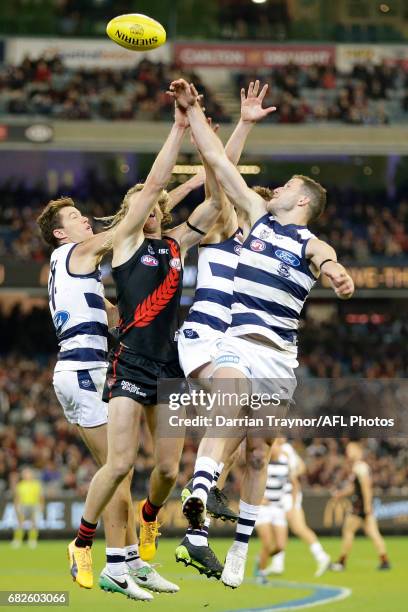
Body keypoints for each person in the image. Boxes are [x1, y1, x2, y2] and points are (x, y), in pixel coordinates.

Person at [170, 77, 355, 588]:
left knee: (256, 452)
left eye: (288, 185)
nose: (277, 188)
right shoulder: (253, 218)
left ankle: (240, 548)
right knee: (228, 395)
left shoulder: (305, 238)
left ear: (300, 201)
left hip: (280, 357)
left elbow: (321, 254)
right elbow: (219, 165)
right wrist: (194, 110)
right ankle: (202, 490)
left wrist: (334, 268)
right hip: (235, 343)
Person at [68, 102, 235, 590]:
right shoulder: (124, 244)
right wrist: (181, 128)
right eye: (143, 199)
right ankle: (82, 543)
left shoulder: (177, 244)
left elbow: (216, 207)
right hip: (130, 363)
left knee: (166, 470)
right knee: (120, 463)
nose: (151, 204)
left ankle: (149, 519)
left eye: (154, 201)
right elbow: (158, 183)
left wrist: (208, 154)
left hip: (169, 367)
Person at [37, 190, 183, 598]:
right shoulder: (77, 253)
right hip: (84, 370)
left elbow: (111, 313)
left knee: (123, 469)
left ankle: (128, 563)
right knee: (118, 468)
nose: (86, 220)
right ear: (60, 234)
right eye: (75, 217)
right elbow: (131, 224)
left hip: (83, 369)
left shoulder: (71, 273)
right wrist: (150, 198)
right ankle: (98, 553)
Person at [176, 82, 276, 578]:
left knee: (252, 441)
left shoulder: (272, 252)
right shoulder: (221, 231)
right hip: (204, 339)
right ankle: (199, 492)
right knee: (232, 408)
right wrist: (242, 125)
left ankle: (205, 534)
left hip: (242, 349)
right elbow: (221, 174)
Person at [268, 440, 330, 577]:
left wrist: (292, 473)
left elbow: (298, 470)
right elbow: (301, 467)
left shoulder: (284, 449)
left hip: (289, 494)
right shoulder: (285, 449)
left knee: (298, 528)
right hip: (282, 495)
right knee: (278, 527)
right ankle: (278, 563)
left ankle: (322, 556)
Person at [331, 441, 391, 572]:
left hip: (359, 507)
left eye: (350, 449)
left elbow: (366, 487)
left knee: (348, 532)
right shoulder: (358, 467)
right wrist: (341, 494)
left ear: (358, 451)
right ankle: (385, 561)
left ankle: (341, 563)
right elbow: (354, 487)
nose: (348, 452)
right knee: (373, 533)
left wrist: (367, 506)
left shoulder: (360, 467)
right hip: (363, 506)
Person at [253, 439, 290, 582]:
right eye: (276, 445)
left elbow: (288, 483)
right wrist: (259, 499)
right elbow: (250, 482)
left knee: (280, 546)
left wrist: (289, 503)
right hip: (263, 509)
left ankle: (260, 558)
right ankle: (261, 574)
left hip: (278, 508)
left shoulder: (285, 462)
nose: (279, 448)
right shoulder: (261, 463)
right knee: (267, 543)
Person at [11, 468, 44, 549]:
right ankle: (17, 540)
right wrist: (16, 506)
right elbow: (17, 497)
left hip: (34, 505)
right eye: (25, 474)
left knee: (34, 523)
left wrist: (41, 505)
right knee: (20, 523)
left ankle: (32, 540)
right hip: (23, 505)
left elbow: (41, 496)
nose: (27, 475)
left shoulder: (36, 484)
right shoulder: (20, 485)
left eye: (28, 474)